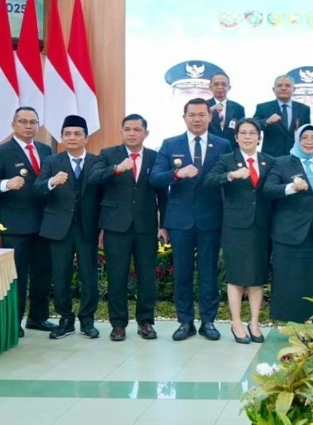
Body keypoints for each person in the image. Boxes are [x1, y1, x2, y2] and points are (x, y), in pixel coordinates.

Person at [150, 98, 232, 342]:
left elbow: (227, 180)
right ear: (184, 117)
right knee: (183, 273)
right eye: (192, 115)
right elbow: (155, 178)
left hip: (211, 218)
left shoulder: (223, 144)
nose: (197, 119)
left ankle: (208, 321)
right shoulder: (170, 144)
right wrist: (177, 173)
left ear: (210, 117)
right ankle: (185, 322)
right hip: (180, 220)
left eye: (202, 114)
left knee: (209, 272)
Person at [88, 114, 166, 342]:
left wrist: (164, 225)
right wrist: (116, 169)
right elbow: (94, 178)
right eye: (127, 129)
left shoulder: (155, 157)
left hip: (146, 227)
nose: (132, 133)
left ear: (146, 133)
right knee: (117, 277)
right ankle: (118, 324)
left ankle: (146, 322)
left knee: (147, 277)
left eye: (137, 129)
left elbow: (162, 193)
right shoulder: (108, 155)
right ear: (121, 132)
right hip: (116, 226)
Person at [0, 106, 55, 337]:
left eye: (33, 122)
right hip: (15, 225)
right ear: (13, 125)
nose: (28, 126)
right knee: (17, 277)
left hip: (44, 224)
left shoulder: (45, 150)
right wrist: (6, 184)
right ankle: (13, 321)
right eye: (23, 121)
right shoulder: (0, 152)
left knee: (43, 274)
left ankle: (38, 317)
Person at [202, 119, 274, 343]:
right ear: (236, 137)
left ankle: (254, 322)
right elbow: (208, 180)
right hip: (235, 226)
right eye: (243, 133)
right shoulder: (226, 160)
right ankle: (236, 322)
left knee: (257, 276)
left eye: (252, 133)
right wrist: (231, 175)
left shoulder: (269, 161)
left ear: (259, 137)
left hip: (261, 225)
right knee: (236, 275)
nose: (248, 137)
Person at [264, 124, 313, 323]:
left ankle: (312, 321)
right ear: (297, 140)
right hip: (288, 234)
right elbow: (269, 190)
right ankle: (290, 324)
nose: (309, 142)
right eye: (304, 137)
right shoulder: (281, 163)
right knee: (289, 281)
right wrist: (291, 187)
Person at [35, 115, 102, 340]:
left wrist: (102, 227)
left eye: (77, 134)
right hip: (58, 228)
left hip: (87, 228)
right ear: (62, 137)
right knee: (61, 275)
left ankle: (87, 319)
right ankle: (65, 319)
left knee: (88, 275)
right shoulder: (51, 161)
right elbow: (37, 188)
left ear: (86, 137)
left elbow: (104, 195)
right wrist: (51, 182)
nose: (72, 138)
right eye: (67, 134)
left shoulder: (96, 161)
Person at [254, 74, 312, 157]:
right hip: (271, 157)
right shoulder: (263, 108)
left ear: (294, 89)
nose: (283, 88)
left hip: (296, 156)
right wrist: (267, 121)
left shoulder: (304, 109)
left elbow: (307, 132)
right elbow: (253, 126)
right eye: (279, 85)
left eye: (287, 85)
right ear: (274, 89)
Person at [207, 72, 246, 143]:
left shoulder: (238, 108)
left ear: (229, 88)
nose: (220, 87)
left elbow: (241, 131)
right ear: (210, 87)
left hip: (231, 147)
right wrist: (210, 109)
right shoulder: (204, 106)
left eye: (223, 84)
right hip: (209, 146)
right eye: (216, 84)